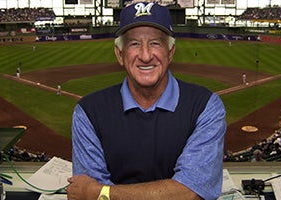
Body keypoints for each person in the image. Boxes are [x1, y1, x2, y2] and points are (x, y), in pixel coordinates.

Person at [67, 2, 226, 200]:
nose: (145, 55)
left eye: (155, 43)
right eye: (134, 44)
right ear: (120, 54)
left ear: (170, 52)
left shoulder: (206, 106)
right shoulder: (88, 112)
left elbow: (191, 192)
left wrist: (100, 193)